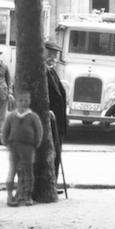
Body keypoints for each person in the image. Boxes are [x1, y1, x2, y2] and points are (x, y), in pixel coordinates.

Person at [1, 91, 42, 207]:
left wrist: (36, 143)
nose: (23, 103)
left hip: (28, 148)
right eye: (20, 100)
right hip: (14, 146)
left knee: (28, 171)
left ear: (29, 101)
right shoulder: (11, 117)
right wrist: (6, 142)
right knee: (12, 169)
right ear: (16, 101)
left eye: (26, 100)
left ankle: (27, 195)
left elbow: (39, 131)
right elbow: (5, 130)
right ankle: (10, 195)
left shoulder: (33, 117)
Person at [45, 41, 67, 178]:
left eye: (55, 55)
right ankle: (49, 181)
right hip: (49, 119)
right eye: (51, 54)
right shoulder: (40, 71)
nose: (53, 57)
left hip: (57, 120)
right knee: (50, 152)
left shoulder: (51, 70)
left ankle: (53, 181)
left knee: (56, 153)